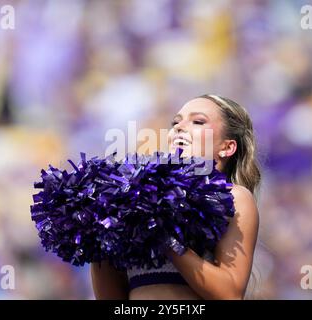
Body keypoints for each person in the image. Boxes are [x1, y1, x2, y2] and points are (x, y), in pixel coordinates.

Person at [91, 94, 260, 299]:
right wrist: (99, 233)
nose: (179, 127)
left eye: (198, 121)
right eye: (176, 122)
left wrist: (165, 236)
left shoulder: (234, 196)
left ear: (227, 147)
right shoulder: (137, 199)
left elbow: (230, 293)